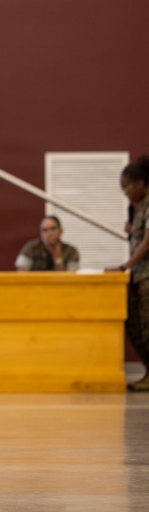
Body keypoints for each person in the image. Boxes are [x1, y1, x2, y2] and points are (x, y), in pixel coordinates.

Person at [113, 155, 149, 391]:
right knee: (135, 325)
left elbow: (148, 242)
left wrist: (125, 266)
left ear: (140, 183)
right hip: (140, 275)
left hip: (147, 276)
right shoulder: (141, 207)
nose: (126, 194)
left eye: (127, 188)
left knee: (146, 326)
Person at [14, 215, 80, 271]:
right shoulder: (31, 247)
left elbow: (71, 278)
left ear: (61, 231)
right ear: (41, 234)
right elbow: (21, 273)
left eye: (53, 229)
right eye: (45, 230)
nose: (49, 234)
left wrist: (57, 256)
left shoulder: (71, 251)